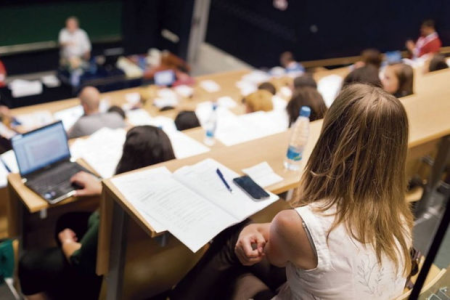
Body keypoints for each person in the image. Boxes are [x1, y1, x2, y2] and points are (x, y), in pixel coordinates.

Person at [171, 84, 413, 300]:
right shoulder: (401, 217)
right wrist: (253, 230)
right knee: (242, 242)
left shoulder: (296, 224)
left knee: (235, 271)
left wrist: (253, 230)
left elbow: (277, 252)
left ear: (329, 138)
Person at [18, 126, 176, 300]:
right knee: (66, 220)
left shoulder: (117, 214)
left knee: (28, 263)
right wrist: (103, 188)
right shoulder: (162, 192)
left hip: (104, 275)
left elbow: (80, 259)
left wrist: (67, 241)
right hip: (144, 267)